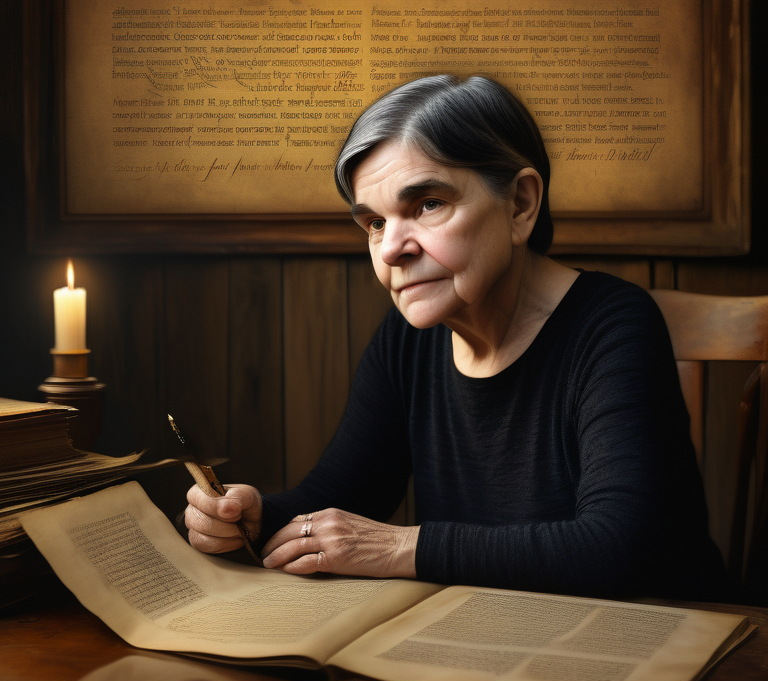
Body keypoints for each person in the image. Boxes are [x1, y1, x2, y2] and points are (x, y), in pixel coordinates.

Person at [184, 75, 726, 600]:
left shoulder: (614, 325)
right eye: (374, 223)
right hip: (493, 638)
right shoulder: (406, 342)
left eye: (427, 205)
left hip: (658, 647)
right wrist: (253, 516)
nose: (391, 248)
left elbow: (617, 547)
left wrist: (399, 548)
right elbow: (338, 500)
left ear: (520, 205)